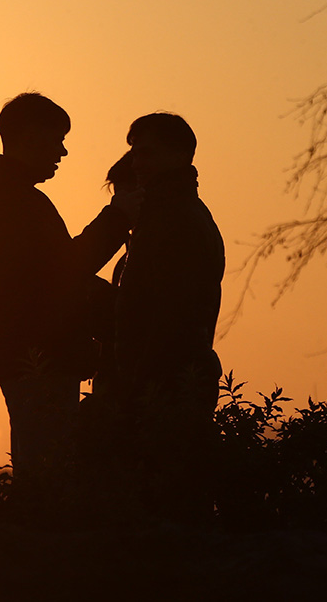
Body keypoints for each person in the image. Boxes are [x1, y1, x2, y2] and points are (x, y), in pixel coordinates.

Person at [0, 93, 141, 519]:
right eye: (57, 139)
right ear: (30, 137)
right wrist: (118, 216)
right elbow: (64, 271)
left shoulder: (9, 198)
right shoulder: (16, 202)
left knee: (43, 468)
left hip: (30, 349)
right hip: (40, 353)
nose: (63, 151)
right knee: (47, 478)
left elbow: (48, 274)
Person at [114, 112, 224, 524]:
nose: (137, 161)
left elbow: (169, 316)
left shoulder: (177, 220)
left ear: (181, 155)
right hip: (163, 380)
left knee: (162, 510)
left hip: (166, 383)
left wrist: (135, 385)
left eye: (147, 152)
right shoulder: (165, 216)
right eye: (134, 151)